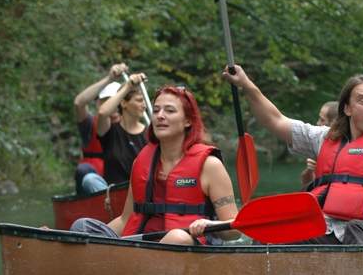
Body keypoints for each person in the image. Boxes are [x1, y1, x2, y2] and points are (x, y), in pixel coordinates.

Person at [222, 49, 363, 245]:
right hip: (332, 231)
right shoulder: (323, 139)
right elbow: (275, 120)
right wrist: (247, 85)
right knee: (270, 237)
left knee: (356, 229)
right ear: (347, 108)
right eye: (362, 100)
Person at [71, 85, 239, 245]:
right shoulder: (141, 161)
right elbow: (125, 219)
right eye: (156, 110)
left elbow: (234, 230)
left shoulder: (210, 166)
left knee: (177, 237)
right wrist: (93, 239)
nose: (160, 115)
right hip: (144, 247)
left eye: (170, 111)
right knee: (82, 226)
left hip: (189, 247)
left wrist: (209, 225)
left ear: (188, 121)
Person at [73, 63, 126, 194]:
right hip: (94, 185)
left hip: (121, 184)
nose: (111, 105)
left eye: (113, 100)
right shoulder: (90, 124)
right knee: (84, 171)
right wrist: (110, 79)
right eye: (105, 100)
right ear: (98, 103)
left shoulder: (132, 126)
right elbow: (79, 103)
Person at [95, 73, 149, 187]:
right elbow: (102, 112)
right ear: (124, 103)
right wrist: (128, 86)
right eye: (139, 100)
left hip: (139, 193)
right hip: (113, 195)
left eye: (144, 101)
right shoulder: (110, 131)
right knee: (90, 179)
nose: (144, 106)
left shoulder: (150, 134)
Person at [300, 101, 338, 188]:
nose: (317, 123)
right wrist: (310, 170)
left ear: (334, 123)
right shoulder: (319, 144)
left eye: (322, 120)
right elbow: (305, 186)